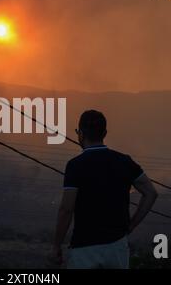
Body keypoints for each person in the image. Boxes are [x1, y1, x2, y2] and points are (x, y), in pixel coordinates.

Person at [51, 110, 158, 269]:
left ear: (80, 133)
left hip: (84, 248)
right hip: (117, 248)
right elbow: (151, 193)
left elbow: (66, 209)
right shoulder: (124, 162)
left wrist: (56, 246)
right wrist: (132, 225)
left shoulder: (75, 165)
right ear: (105, 133)